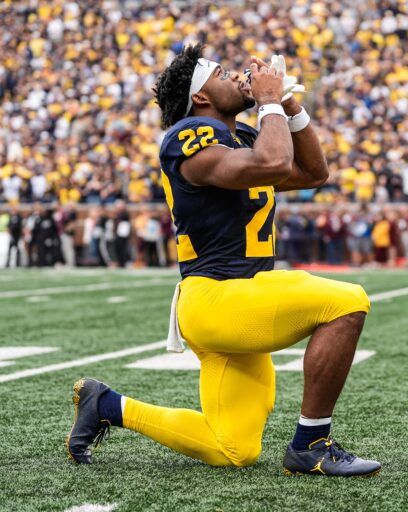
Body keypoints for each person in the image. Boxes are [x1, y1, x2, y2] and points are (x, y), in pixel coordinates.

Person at [66, 48, 380, 477]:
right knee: (346, 302)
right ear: (201, 97)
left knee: (233, 448)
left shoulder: (245, 137)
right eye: (222, 74)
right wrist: (269, 103)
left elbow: (312, 174)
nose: (237, 77)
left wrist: (288, 104)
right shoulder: (188, 136)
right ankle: (311, 444)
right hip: (217, 296)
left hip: (236, 302)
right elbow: (272, 162)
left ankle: (108, 405)